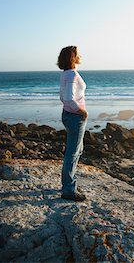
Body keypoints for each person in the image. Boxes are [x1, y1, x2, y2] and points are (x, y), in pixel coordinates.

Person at [57, 46, 88, 201]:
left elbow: (62, 97)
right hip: (75, 117)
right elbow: (68, 98)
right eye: (78, 54)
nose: (81, 56)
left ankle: (68, 184)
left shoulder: (66, 74)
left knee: (77, 150)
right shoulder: (72, 75)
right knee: (73, 153)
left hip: (68, 115)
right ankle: (68, 190)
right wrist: (81, 111)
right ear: (72, 57)